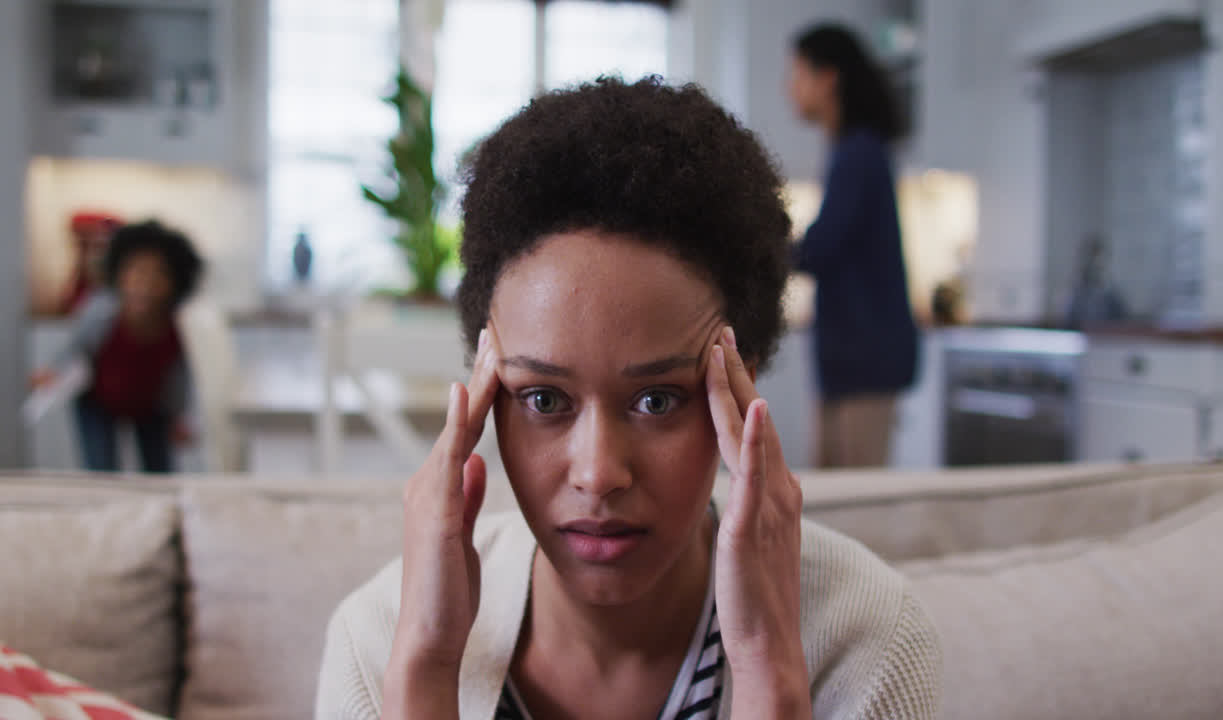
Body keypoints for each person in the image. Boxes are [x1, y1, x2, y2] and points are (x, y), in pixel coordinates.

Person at [316, 78, 940, 720]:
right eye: (544, 400)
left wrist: (769, 670)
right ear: (486, 396)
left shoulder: (868, 644)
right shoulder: (377, 644)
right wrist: (424, 667)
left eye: (657, 402)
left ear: (739, 395)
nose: (598, 474)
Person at [788, 24, 920, 468]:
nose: (790, 88)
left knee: (856, 494)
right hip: (854, 361)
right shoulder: (851, 150)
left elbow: (821, 247)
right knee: (838, 489)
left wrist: (754, 245)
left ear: (828, 78)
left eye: (797, 73)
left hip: (865, 362)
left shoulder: (858, 152)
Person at [33, 220, 203, 473]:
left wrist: (181, 417)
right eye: (137, 272)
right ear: (119, 273)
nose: (146, 284)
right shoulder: (101, 311)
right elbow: (74, 348)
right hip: (97, 402)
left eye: (159, 274)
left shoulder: (178, 325)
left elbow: (179, 376)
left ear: (175, 282)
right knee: (101, 469)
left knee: (160, 472)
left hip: (150, 405)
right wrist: (53, 373)